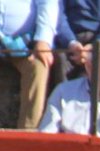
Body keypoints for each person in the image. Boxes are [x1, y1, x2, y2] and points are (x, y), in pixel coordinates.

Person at [0, 0, 55, 128]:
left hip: (25, 45)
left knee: (39, 66)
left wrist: (43, 39)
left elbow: (47, 4)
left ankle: (27, 133)